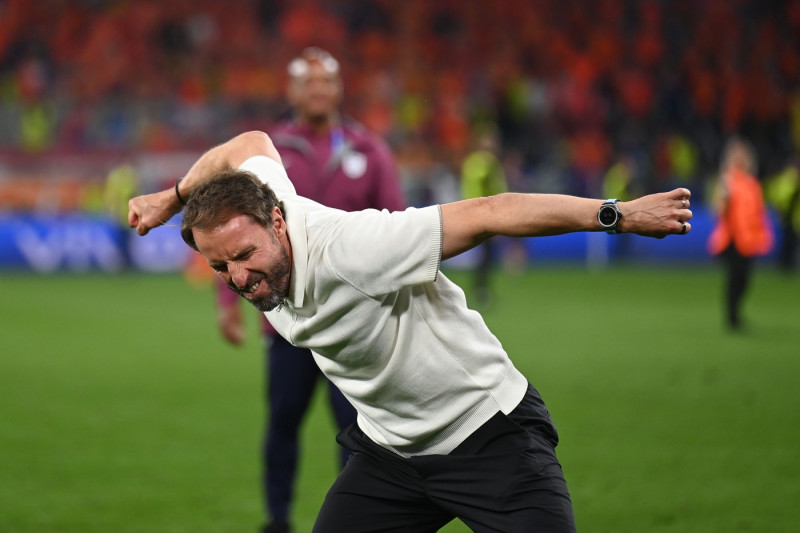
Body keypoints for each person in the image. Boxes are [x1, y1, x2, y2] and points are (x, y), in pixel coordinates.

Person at [129, 131, 693, 533]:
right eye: (221, 268)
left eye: (245, 256)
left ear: (278, 222)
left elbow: (491, 210)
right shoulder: (255, 207)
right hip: (391, 455)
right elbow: (248, 142)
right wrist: (171, 196)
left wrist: (617, 215)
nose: (239, 278)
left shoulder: (355, 248)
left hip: (485, 435)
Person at [215, 48, 405, 533]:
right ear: (292, 90)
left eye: (327, 82)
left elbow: (398, 228)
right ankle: (277, 520)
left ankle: (354, 522)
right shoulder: (265, 153)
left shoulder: (369, 149)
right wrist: (227, 303)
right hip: (287, 320)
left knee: (359, 432)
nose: (318, 90)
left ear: (339, 89)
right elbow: (230, 229)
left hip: (354, 322)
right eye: (309, 83)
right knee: (283, 423)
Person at [708, 137, 774, 330]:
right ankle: (732, 318)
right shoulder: (727, 180)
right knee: (735, 277)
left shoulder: (752, 183)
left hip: (748, 239)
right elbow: (717, 210)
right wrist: (724, 198)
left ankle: (735, 315)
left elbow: (758, 212)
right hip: (732, 239)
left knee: (744, 279)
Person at [460, 125, 509, 305]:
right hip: (486, 212)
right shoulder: (487, 163)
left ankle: (479, 290)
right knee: (486, 256)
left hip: (473, 209)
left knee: (483, 255)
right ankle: (481, 291)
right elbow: (492, 188)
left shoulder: (471, 161)